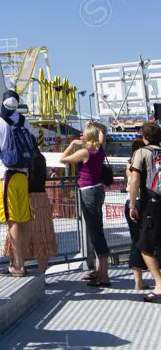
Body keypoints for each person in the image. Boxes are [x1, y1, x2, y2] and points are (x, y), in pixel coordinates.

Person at [0, 90, 36, 277]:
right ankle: (22, 261)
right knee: (23, 219)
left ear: (1, 101)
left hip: (5, 175)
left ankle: (17, 265)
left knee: (12, 220)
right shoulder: (24, 122)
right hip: (23, 175)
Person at [60, 121, 110, 286]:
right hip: (98, 189)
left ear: (87, 136)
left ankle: (103, 275)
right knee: (97, 229)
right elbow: (104, 129)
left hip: (88, 191)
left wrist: (72, 144)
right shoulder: (100, 148)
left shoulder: (85, 152)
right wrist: (95, 124)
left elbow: (63, 159)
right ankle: (98, 270)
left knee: (96, 233)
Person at [3, 143, 57, 272]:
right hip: (42, 198)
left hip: (27, 199)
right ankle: (41, 274)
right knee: (44, 237)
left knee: (17, 231)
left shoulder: (24, 158)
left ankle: (17, 265)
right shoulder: (41, 158)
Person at [128, 121, 161, 303]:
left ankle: (159, 285)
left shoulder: (142, 152)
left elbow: (134, 180)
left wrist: (132, 205)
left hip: (151, 202)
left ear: (144, 137)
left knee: (144, 245)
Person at [125, 137, 153, 291]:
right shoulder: (143, 163)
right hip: (139, 203)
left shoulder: (129, 163)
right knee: (145, 241)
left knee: (136, 241)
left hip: (131, 202)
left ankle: (138, 281)